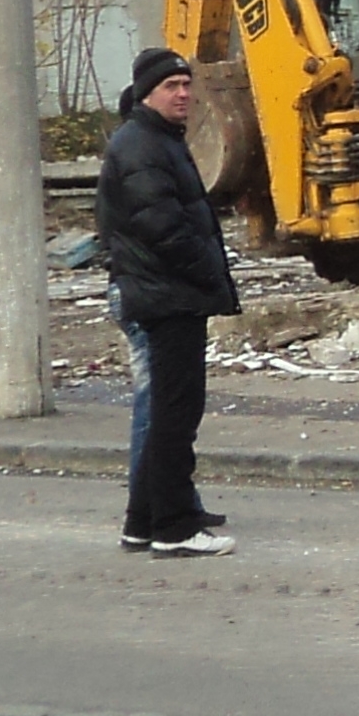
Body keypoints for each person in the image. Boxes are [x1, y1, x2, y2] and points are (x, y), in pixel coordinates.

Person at [99, 46, 239, 556]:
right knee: (172, 415)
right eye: (171, 87)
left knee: (167, 412)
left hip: (168, 293)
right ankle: (175, 529)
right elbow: (162, 228)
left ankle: (143, 521)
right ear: (147, 93)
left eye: (186, 84)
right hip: (163, 297)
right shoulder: (140, 146)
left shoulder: (157, 140)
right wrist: (207, 273)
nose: (183, 94)